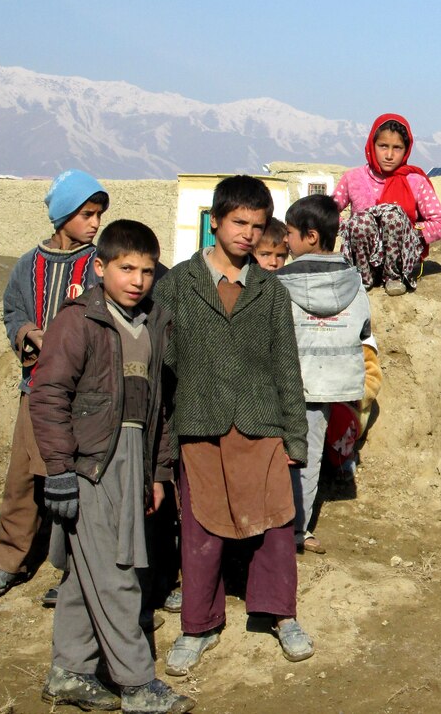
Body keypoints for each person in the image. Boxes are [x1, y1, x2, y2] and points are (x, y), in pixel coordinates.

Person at [29, 220, 194, 714]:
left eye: (146, 270)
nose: (137, 279)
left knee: (87, 572)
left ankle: (70, 671)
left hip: (133, 459)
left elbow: (158, 406)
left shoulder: (153, 323)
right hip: (89, 463)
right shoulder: (77, 321)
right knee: (118, 572)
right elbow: (49, 393)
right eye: (126, 268)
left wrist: (159, 472)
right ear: (100, 268)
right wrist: (59, 467)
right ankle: (137, 683)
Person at [152, 175, 314, 674]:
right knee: (201, 532)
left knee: (276, 527)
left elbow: (286, 363)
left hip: (260, 423)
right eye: (238, 222)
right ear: (216, 221)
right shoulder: (176, 284)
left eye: (257, 225)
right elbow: (163, 365)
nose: (247, 233)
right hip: (199, 424)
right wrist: (163, 440)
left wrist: (295, 436)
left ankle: (280, 614)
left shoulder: (270, 290)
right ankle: (198, 626)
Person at [0, 169, 110, 604]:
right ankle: (8, 560)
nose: (94, 223)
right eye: (87, 214)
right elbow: (12, 311)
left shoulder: (99, 264)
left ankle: (72, 572)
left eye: (99, 214)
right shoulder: (26, 265)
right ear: (62, 215)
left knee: (79, 483)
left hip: (84, 395)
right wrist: (28, 333)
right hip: (36, 390)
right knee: (22, 481)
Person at [277, 194, 383, 555]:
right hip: (329, 384)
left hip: (286, 384)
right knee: (308, 457)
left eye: (289, 234)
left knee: (280, 458)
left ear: (309, 236)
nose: (285, 242)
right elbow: (364, 328)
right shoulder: (353, 281)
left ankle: (279, 530)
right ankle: (299, 529)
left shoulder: (279, 283)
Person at [333, 114, 441, 296]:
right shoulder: (353, 178)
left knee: (392, 215)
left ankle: (393, 276)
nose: (389, 155)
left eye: (397, 148)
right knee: (361, 220)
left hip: (401, 262)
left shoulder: (415, 181)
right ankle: (363, 277)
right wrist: (350, 228)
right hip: (362, 263)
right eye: (383, 146)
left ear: (406, 150)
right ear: (372, 146)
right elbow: (328, 214)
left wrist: (408, 230)